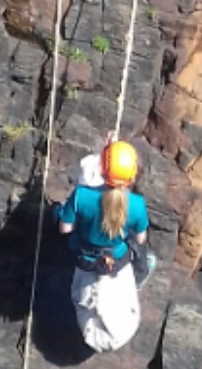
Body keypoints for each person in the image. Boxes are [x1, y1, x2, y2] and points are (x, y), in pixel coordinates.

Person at [54, 139, 154, 351]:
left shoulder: (81, 195)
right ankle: (137, 280)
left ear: (102, 169)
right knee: (148, 258)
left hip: (85, 258)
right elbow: (140, 239)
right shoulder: (136, 204)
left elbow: (65, 229)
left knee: (57, 215)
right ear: (132, 174)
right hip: (116, 260)